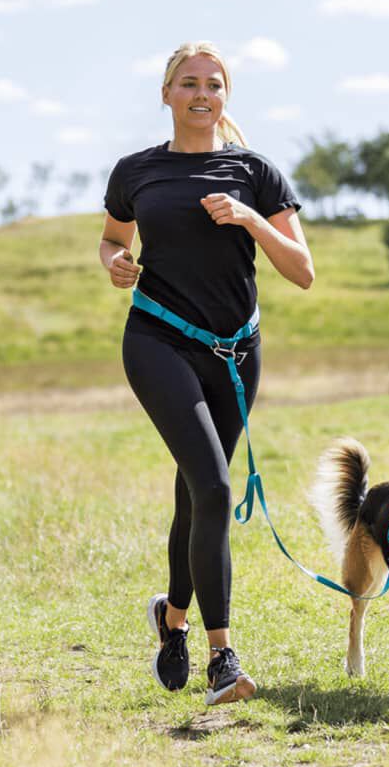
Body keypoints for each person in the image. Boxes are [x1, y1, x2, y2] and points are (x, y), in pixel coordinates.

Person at [99, 41, 314, 706]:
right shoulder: (137, 171)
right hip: (158, 340)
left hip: (237, 351)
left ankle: (172, 619)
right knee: (216, 485)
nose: (201, 94)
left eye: (213, 84)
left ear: (226, 96)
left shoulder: (256, 172)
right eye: (189, 83)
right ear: (166, 94)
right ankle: (224, 659)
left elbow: (302, 270)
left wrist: (249, 218)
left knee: (198, 494)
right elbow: (113, 237)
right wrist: (114, 262)